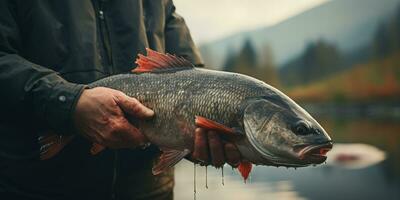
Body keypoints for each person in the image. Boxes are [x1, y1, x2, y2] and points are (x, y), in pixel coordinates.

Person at [0, 1, 241, 200]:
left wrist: (198, 134)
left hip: (150, 191)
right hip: (36, 187)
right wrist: (69, 104)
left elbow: (190, 71)